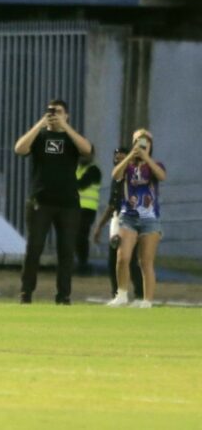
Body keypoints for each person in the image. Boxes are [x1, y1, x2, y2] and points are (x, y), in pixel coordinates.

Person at [14, 99, 92, 305]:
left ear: (66, 115)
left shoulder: (71, 138)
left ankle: (63, 295)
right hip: (40, 201)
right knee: (34, 248)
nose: (54, 114)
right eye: (50, 111)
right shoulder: (39, 136)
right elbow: (19, 149)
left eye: (58, 112)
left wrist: (65, 126)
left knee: (66, 251)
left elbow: (87, 150)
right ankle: (26, 292)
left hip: (68, 203)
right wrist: (40, 124)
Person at [107, 129, 166, 308]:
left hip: (150, 218)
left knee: (145, 261)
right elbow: (116, 175)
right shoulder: (128, 166)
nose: (141, 144)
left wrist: (146, 157)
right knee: (122, 257)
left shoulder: (155, 164)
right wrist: (130, 156)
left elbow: (161, 176)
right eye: (138, 141)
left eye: (145, 142)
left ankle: (147, 300)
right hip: (129, 217)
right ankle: (122, 294)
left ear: (150, 145)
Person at [93, 147, 143, 299]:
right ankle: (117, 293)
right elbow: (112, 204)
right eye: (117, 159)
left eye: (122, 159)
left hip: (131, 220)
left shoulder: (134, 175)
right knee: (113, 259)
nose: (119, 162)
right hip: (117, 220)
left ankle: (140, 294)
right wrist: (100, 226)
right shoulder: (116, 177)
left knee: (131, 260)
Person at [74, 147, 102, 275]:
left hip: (87, 209)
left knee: (81, 236)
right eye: (81, 154)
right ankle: (78, 263)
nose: (82, 157)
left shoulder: (94, 170)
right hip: (75, 207)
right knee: (75, 236)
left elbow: (81, 184)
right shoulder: (77, 169)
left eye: (86, 154)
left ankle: (83, 264)